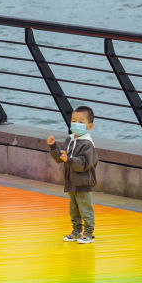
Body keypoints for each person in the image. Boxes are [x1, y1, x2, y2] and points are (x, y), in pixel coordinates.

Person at [47, 105, 98, 244]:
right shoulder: (69, 140)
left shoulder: (87, 144)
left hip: (83, 182)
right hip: (71, 182)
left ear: (89, 126)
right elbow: (60, 158)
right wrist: (53, 147)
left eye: (81, 122)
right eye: (74, 120)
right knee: (74, 209)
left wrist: (68, 159)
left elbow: (82, 164)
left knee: (85, 209)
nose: (76, 124)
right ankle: (76, 231)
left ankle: (88, 233)